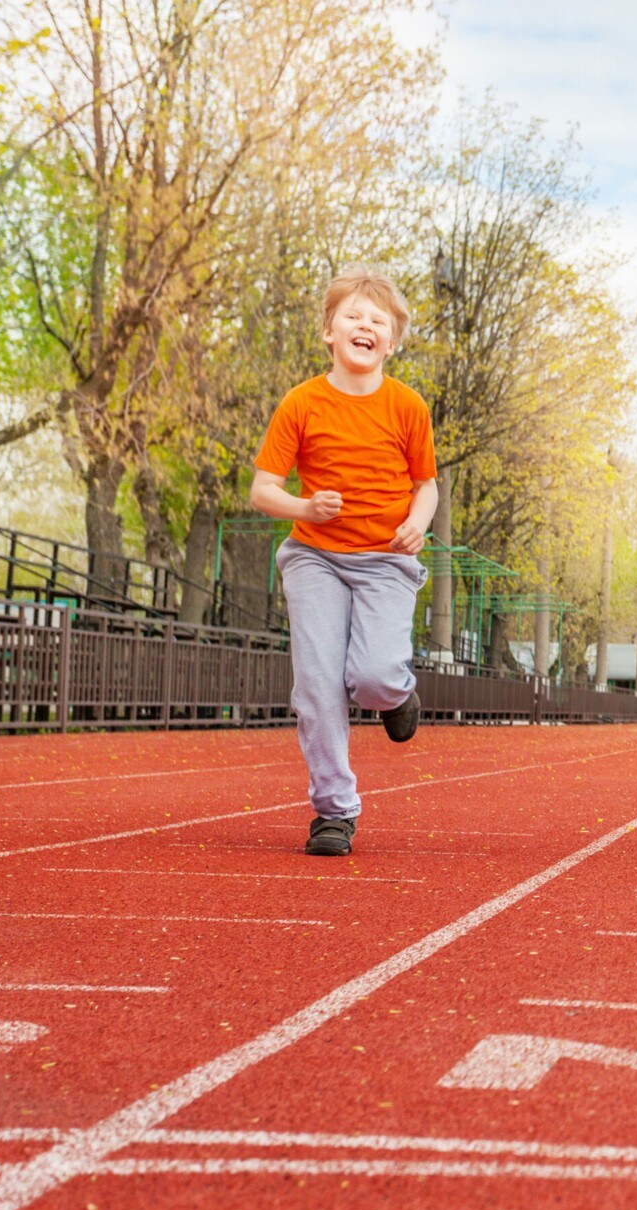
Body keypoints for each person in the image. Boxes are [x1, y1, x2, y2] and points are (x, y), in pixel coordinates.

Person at [249, 268, 440, 859]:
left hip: (385, 560)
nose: (366, 326)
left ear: (392, 341)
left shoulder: (408, 407)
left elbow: (426, 485)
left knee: (374, 679)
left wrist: (418, 522)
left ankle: (397, 694)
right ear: (329, 332)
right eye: (354, 316)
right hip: (314, 557)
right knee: (316, 684)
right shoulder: (302, 403)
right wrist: (305, 505)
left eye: (378, 321)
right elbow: (262, 491)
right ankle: (335, 811)